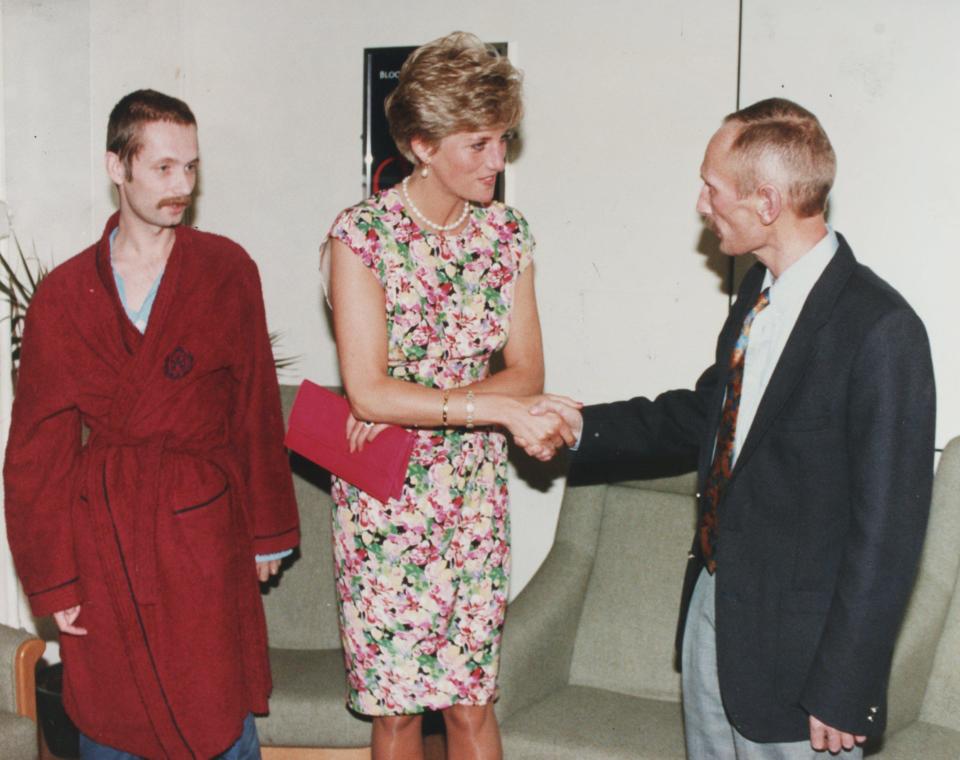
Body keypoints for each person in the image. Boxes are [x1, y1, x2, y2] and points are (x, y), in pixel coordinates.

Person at [531, 98, 935, 758]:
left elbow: (888, 533)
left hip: (805, 667)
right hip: (715, 618)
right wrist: (578, 425)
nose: (701, 204)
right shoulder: (756, 294)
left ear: (767, 202)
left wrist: (845, 686)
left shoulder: (882, 331)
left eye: (712, 188)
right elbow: (708, 414)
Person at [3, 89, 299, 759]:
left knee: (212, 706)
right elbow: (35, 452)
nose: (181, 187)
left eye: (190, 168)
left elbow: (254, 408)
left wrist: (266, 536)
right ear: (118, 167)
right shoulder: (63, 297)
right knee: (115, 712)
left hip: (204, 527)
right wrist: (54, 580)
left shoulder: (226, 272)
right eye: (163, 168)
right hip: (104, 535)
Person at [323, 32, 569, 760]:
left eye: (504, 140)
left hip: (472, 498)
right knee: (397, 713)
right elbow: (367, 391)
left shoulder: (507, 235)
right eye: (479, 144)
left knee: (472, 702)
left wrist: (431, 398)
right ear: (423, 144)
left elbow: (525, 371)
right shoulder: (361, 237)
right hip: (386, 499)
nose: (498, 160)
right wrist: (479, 405)